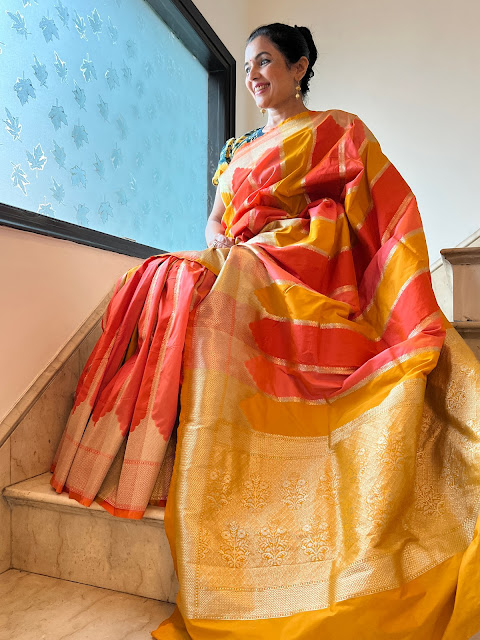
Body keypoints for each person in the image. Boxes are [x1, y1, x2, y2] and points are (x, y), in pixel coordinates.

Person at [50, 23, 480, 640]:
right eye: (248, 65)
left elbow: (370, 213)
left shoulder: (336, 131)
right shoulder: (236, 148)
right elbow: (215, 221)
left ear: (300, 66)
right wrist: (222, 243)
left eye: (266, 62)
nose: (253, 75)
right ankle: (126, 459)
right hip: (242, 254)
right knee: (157, 275)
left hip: (299, 263)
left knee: (232, 281)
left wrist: (274, 246)